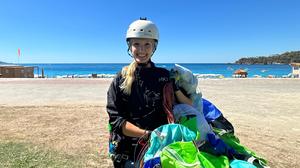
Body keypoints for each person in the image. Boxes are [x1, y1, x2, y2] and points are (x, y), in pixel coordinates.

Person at [106, 18, 192, 168]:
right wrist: (148, 134)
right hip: (128, 151)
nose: (142, 50)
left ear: (154, 47)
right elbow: (116, 121)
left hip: (160, 150)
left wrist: (175, 85)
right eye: (136, 44)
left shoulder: (164, 76)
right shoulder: (121, 78)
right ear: (129, 46)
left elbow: (189, 106)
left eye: (147, 44)